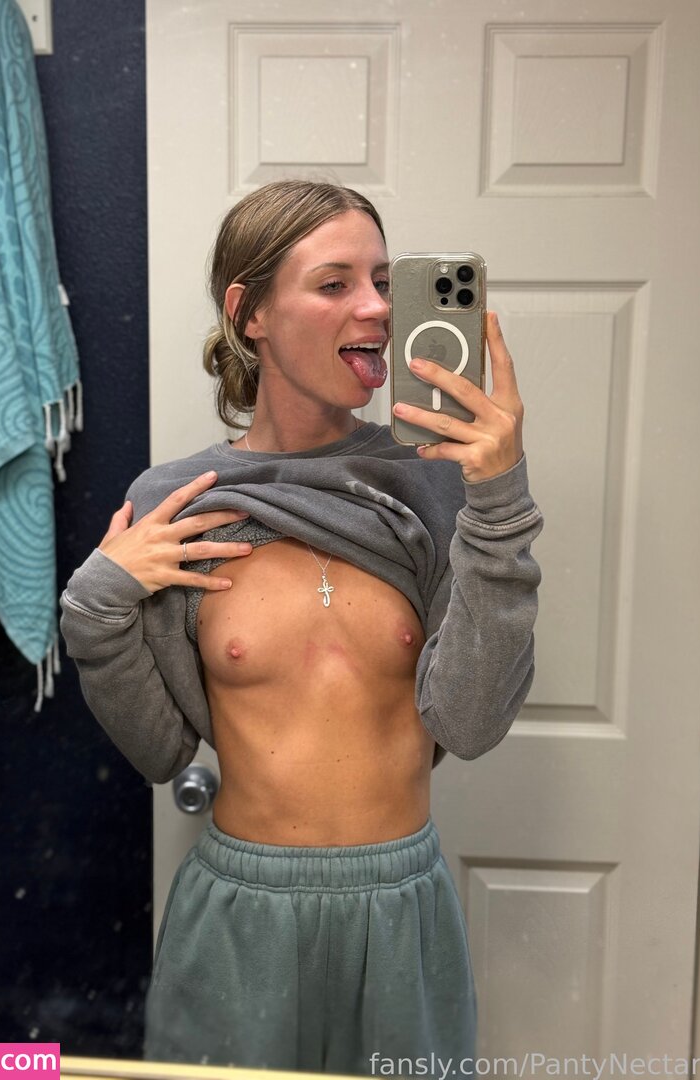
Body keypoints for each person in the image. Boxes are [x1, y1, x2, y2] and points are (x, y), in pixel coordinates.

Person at [59, 180, 542, 1074]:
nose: (377, 308)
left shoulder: (435, 484)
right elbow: (159, 750)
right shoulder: (175, 503)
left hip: (401, 912)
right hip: (238, 916)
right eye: (334, 283)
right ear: (250, 313)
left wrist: (501, 504)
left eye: (384, 282)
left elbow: (471, 724)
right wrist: (95, 607)